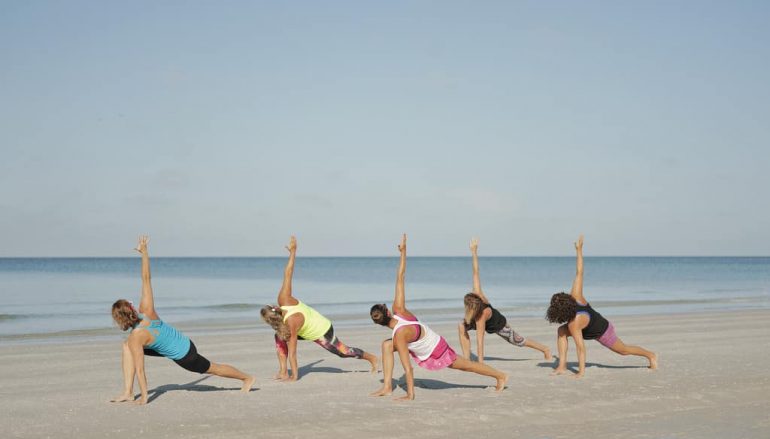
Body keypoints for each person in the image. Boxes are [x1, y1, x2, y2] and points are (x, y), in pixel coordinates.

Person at [110, 236, 255, 405]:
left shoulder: (136, 337)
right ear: (132, 309)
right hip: (180, 341)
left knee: (213, 368)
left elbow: (140, 370)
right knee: (126, 345)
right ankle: (127, 392)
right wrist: (145, 254)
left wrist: (144, 396)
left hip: (185, 355)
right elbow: (146, 279)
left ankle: (247, 378)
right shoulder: (147, 310)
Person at [369, 234, 508, 401]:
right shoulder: (399, 309)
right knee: (386, 345)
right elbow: (401, 277)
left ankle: (500, 376)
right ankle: (387, 387)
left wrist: (410, 394)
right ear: (388, 313)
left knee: (467, 366)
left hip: (436, 349)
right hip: (428, 340)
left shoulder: (399, 335)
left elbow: (408, 368)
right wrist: (403, 252)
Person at [260, 236, 378, 381]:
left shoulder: (291, 320)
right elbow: (288, 274)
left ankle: (372, 358)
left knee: (342, 352)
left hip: (321, 329)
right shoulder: (283, 302)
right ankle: (283, 371)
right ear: (274, 307)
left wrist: (295, 376)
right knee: (279, 336)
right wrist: (293, 253)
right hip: (303, 327)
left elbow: (293, 353)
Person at [546, 235, 658, 378]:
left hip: (602, 330)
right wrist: (579, 251)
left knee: (623, 350)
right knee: (561, 330)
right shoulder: (576, 296)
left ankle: (651, 355)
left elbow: (580, 348)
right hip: (587, 327)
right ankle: (561, 366)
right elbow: (579, 272)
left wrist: (581, 372)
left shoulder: (575, 323)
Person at [459, 238, 552, 362]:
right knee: (461, 326)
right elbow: (476, 272)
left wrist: (480, 363)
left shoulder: (481, 315)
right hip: (481, 319)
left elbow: (480, 339)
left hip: (498, 323)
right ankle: (466, 358)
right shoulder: (477, 293)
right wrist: (474, 252)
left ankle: (545, 349)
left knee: (518, 341)